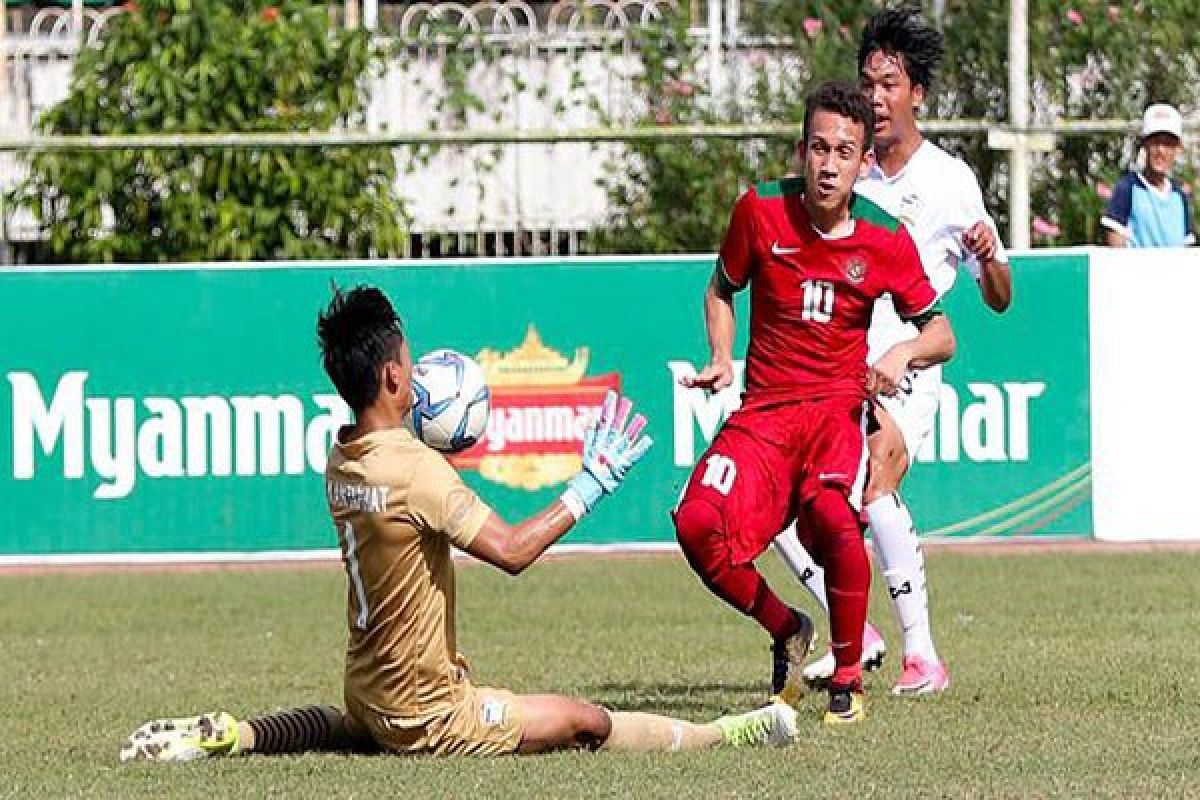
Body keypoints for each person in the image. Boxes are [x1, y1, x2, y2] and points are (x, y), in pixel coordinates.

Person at [120, 285, 799, 763]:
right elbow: (508, 551)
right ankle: (725, 735)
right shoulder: (415, 472)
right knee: (583, 721)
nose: (416, 372)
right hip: (427, 712)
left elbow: (409, 489)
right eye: (410, 363)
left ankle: (240, 734)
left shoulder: (345, 454)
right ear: (391, 375)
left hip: (369, 692)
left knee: (346, 728)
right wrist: (589, 487)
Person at [674, 81, 956, 726]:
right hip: (764, 413)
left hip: (834, 411)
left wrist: (899, 355)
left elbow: (942, 335)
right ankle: (787, 626)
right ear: (802, 149)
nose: (829, 164)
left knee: (833, 512)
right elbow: (721, 289)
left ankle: (849, 674)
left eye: (845, 151)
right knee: (696, 525)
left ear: (863, 163)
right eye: (820, 147)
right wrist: (721, 357)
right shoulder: (760, 210)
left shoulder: (884, 237)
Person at [770, 6, 1014, 697]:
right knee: (775, 494)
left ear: (917, 95)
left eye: (889, 84)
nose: (875, 97)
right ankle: (861, 633)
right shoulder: (847, 167)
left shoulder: (949, 182)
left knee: (874, 484)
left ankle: (924, 655)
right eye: (867, 82)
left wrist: (991, 259)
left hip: (911, 363)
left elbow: (998, 297)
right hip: (833, 363)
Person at [1102, 103, 1195, 248]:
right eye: (1155, 142)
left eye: (1168, 144)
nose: (1160, 151)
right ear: (1145, 144)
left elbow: (1186, 248)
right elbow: (1116, 246)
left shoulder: (1179, 196)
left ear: (1177, 148)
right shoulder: (1127, 188)